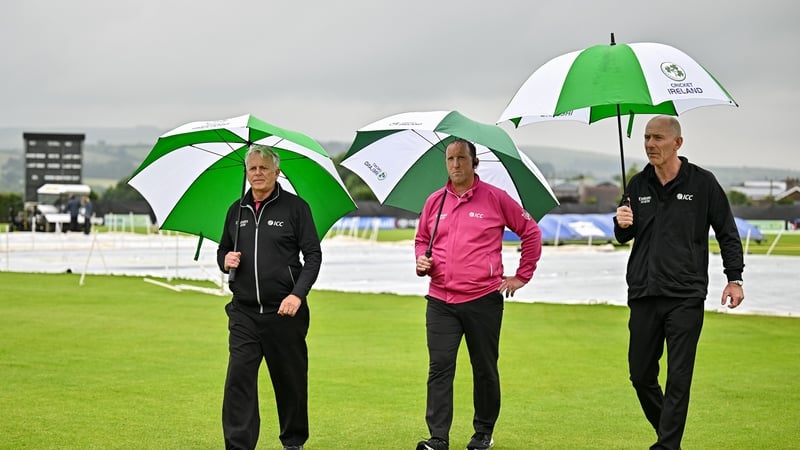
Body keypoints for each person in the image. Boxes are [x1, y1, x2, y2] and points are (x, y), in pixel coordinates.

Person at [614, 116, 745, 450]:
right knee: (641, 375)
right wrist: (621, 222)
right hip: (643, 291)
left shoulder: (703, 183)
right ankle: (668, 437)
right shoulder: (637, 184)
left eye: (658, 138)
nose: (650, 144)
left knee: (678, 376)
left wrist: (734, 278)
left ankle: (666, 446)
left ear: (678, 143)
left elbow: (727, 233)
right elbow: (624, 236)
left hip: (685, 295)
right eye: (646, 138)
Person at [414, 139, 542, 450]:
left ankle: (483, 433)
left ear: (475, 163)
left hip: (483, 299)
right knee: (440, 367)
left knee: (484, 367)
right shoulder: (435, 202)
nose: (455, 165)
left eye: (461, 158)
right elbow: (421, 239)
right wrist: (421, 261)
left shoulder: (496, 199)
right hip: (440, 300)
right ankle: (438, 438)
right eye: (450, 159)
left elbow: (531, 232)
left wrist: (521, 276)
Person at [217, 144, 322, 450]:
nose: (258, 173)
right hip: (243, 313)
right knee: (238, 380)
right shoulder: (236, 210)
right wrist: (225, 260)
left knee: (289, 381)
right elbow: (222, 250)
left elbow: (313, 256)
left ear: (277, 172)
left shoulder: (296, 208)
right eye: (253, 168)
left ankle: (293, 442)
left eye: (264, 168)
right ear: (246, 173)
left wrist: (297, 295)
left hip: (285, 312)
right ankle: (239, 445)